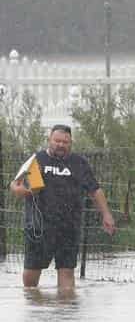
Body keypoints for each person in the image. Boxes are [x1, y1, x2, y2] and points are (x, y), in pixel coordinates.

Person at [8, 124, 116, 290]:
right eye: (57, 140)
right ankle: (31, 306)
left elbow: (95, 190)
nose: (60, 145)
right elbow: (14, 185)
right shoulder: (36, 159)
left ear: (70, 143)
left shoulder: (79, 163)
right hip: (39, 226)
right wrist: (23, 191)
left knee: (66, 271)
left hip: (69, 226)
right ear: (49, 140)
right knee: (32, 273)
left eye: (65, 142)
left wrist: (106, 215)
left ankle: (66, 311)